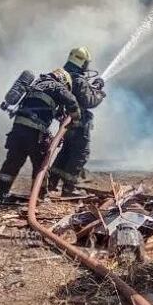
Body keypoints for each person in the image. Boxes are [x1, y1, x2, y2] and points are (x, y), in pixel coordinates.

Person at [0, 63, 80, 203]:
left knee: (12, 163)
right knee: (41, 166)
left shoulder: (36, 85)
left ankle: (1, 194)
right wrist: (76, 118)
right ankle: (40, 196)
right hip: (35, 134)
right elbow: (71, 101)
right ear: (64, 81)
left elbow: (51, 109)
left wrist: (61, 119)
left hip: (17, 131)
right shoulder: (57, 86)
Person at [49, 47, 105, 197]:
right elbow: (89, 101)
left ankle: (51, 184)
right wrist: (99, 92)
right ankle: (69, 189)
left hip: (67, 124)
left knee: (66, 152)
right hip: (79, 124)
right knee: (81, 153)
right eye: (86, 63)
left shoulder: (66, 76)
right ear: (82, 62)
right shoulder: (79, 80)